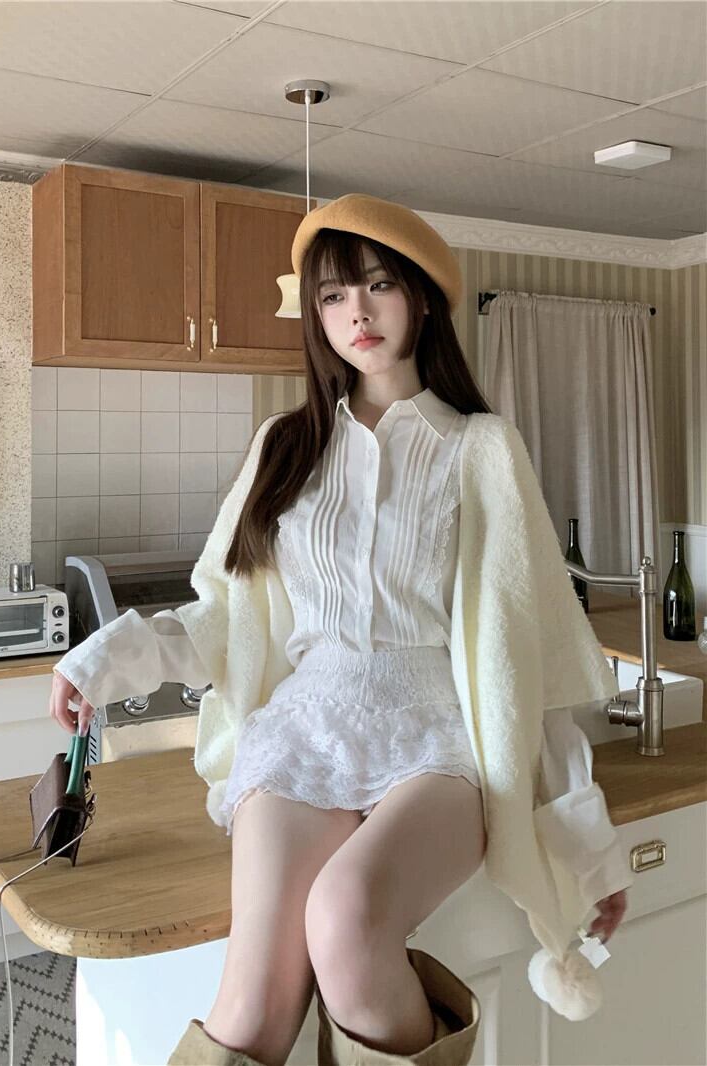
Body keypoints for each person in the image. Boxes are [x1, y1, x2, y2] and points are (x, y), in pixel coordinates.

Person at [50, 193, 630, 1066]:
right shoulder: (284, 445)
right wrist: (103, 660)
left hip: (436, 738)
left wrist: (589, 850)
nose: (356, 312)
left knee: (347, 917)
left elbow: (526, 654)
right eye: (331, 296)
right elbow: (226, 615)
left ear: (422, 298)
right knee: (250, 1006)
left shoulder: (482, 448)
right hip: (305, 729)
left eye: (378, 285)